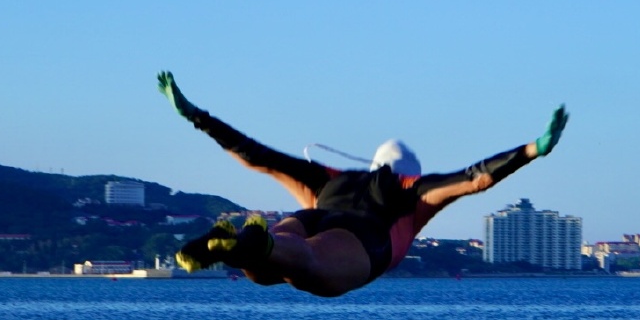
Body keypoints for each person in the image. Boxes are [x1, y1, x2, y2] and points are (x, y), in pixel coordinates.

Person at [157, 71, 568, 297]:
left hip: (311, 214)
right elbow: (475, 177)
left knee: (265, 269)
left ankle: (234, 245)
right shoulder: (412, 191)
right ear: (411, 170)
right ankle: (249, 244)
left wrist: (196, 115)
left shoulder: (328, 177)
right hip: (362, 239)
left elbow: (254, 153)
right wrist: (534, 148)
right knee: (307, 265)